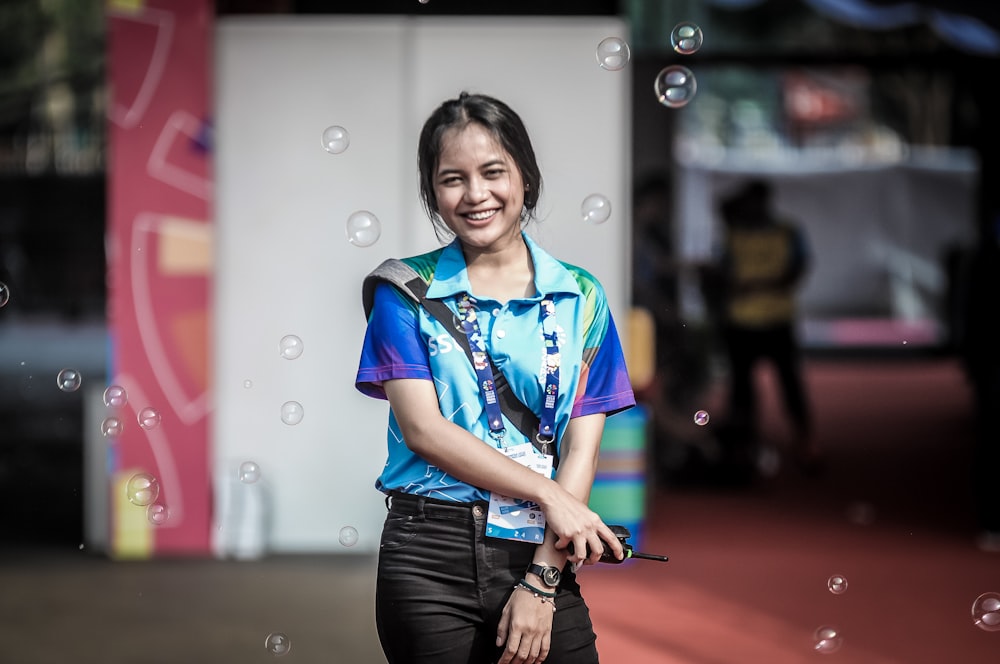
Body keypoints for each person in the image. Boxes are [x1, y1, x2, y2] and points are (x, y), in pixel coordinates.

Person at [355, 92, 636, 664]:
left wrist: (542, 582)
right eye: (452, 179)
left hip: (537, 546)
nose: (476, 195)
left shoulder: (581, 297)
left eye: (493, 172)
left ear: (525, 178)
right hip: (428, 555)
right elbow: (423, 431)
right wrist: (548, 494)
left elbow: (582, 449)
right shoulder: (403, 291)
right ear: (433, 193)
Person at [708, 179, 819, 477]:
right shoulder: (734, 234)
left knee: (789, 384)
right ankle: (746, 448)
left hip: (775, 319)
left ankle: (805, 442)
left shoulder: (787, 231)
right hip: (742, 321)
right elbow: (721, 272)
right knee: (743, 390)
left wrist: (757, 285)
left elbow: (799, 267)